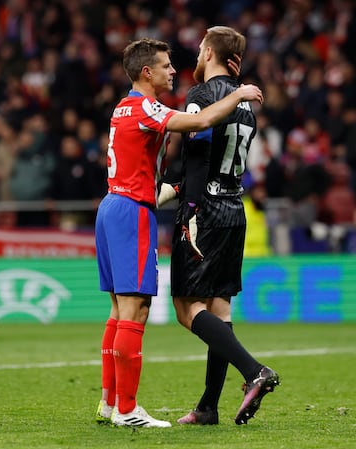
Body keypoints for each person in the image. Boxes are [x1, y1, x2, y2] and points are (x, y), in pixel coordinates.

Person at [94, 37, 264, 428]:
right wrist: (239, 93)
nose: (174, 71)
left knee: (118, 310)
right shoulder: (145, 107)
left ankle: (109, 402)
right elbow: (201, 121)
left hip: (111, 205)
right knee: (135, 308)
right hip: (133, 210)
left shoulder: (123, 106)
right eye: (167, 66)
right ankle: (127, 410)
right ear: (146, 72)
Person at [167, 26, 280, 426]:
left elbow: (196, 152)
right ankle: (208, 407)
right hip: (235, 206)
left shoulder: (202, 96)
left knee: (186, 308)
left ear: (210, 52)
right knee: (220, 307)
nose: (196, 55)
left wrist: (190, 208)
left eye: (200, 48)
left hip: (207, 210)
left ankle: (254, 371)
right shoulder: (247, 102)